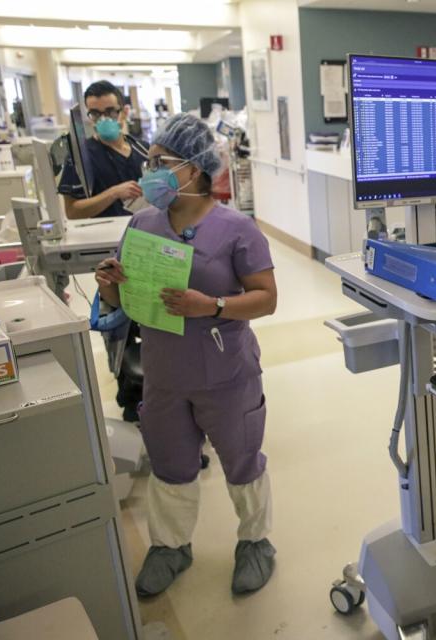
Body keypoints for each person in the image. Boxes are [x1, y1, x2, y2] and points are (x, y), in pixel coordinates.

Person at [94, 113, 279, 597]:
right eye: (150, 161)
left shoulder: (237, 229)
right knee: (170, 462)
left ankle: (256, 543)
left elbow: (266, 298)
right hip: (165, 374)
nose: (150, 171)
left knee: (241, 460)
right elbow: (119, 303)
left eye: (161, 162)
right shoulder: (142, 223)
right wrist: (109, 287)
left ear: (194, 169)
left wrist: (212, 305)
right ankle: (171, 546)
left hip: (226, 372)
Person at [58, 80, 147, 219]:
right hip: (108, 237)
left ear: (124, 112)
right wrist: (113, 193)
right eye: (95, 114)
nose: (103, 119)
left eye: (110, 112)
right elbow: (72, 212)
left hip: (148, 231)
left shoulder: (143, 149)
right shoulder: (80, 157)